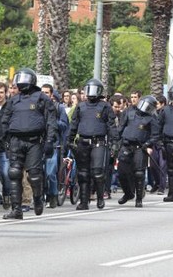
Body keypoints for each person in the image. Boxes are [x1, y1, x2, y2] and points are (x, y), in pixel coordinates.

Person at [1, 68, 57, 219]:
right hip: (16, 141)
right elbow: (5, 121)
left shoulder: (41, 98)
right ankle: (16, 209)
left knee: (34, 175)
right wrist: (5, 141)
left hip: (34, 141)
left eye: (24, 78)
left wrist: (50, 141)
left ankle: (38, 199)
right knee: (14, 173)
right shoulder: (13, 100)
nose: (21, 81)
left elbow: (51, 121)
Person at [68, 78, 118, 210]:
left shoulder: (105, 106)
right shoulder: (81, 106)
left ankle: (100, 197)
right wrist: (69, 140)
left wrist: (114, 143)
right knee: (83, 173)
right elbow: (74, 124)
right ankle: (84, 201)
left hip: (98, 142)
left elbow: (111, 126)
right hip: (83, 142)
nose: (91, 92)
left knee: (97, 172)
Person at [117, 95, 160, 207]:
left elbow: (155, 135)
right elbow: (120, 128)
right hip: (126, 145)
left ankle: (139, 198)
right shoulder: (128, 112)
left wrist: (147, 144)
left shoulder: (152, 118)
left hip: (140, 147)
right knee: (122, 172)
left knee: (139, 173)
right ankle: (128, 193)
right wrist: (116, 142)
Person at [41, 84, 69, 208]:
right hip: (39, 144)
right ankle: (41, 196)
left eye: (47, 92)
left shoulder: (59, 108)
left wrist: (51, 121)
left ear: (51, 94)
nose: (44, 95)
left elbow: (64, 125)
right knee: (39, 172)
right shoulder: (37, 106)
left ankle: (53, 194)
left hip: (54, 144)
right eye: (42, 92)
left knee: (50, 173)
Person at [0, 81, 11, 211]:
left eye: (1, 92)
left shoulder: (10, 107)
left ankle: (7, 194)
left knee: (6, 173)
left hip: (6, 148)